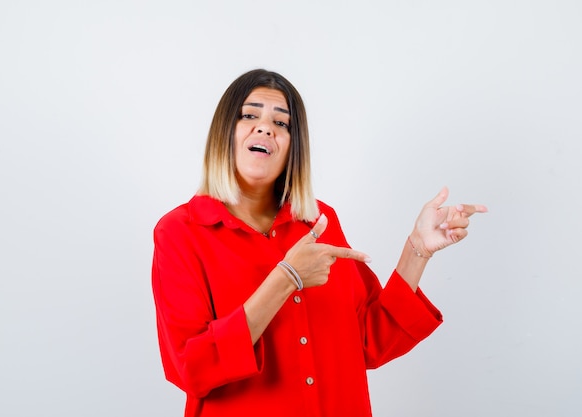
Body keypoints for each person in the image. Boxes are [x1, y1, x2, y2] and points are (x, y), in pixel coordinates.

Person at [151, 69, 487, 417]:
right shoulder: (179, 232)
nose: (266, 128)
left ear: (293, 147)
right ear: (223, 133)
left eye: (281, 123)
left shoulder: (320, 221)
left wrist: (417, 249)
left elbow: (370, 341)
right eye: (249, 115)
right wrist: (286, 278)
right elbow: (190, 368)